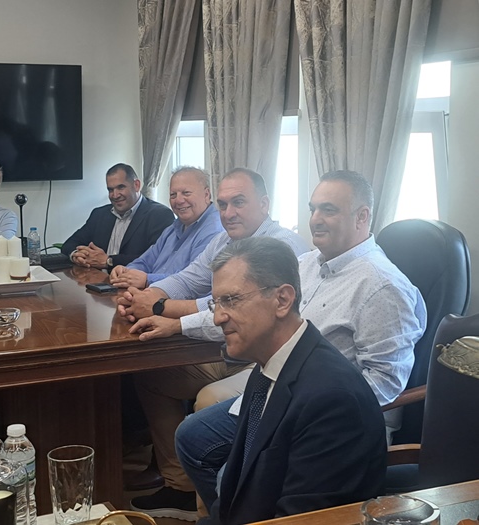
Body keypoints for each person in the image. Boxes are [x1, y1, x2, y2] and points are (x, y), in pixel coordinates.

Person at [175, 170, 426, 517]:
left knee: (229, 476)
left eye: (328, 210)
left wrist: (309, 408)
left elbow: (384, 383)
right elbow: (247, 310)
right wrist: (176, 323)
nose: (315, 219)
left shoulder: (383, 286)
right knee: (192, 439)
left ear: (362, 216)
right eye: (312, 209)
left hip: (329, 418)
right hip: (284, 388)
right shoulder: (307, 264)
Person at [120, 168, 309, 520]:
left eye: (239, 202)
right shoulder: (223, 240)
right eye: (223, 204)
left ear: (264, 204)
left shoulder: (282, 246)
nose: (228, 212)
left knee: (207, 399)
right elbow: (188, 278)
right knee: (152, 378)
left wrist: (164, 313)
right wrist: (147, 297)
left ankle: (221, 504)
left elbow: (232, 311)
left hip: (267, 359)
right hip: (227, 349)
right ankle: (179, 485)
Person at [198, 237, 387, 524]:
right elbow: (234, 494)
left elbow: (298, 519)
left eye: (231, 300)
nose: (218, 318)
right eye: (216, 303)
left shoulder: (332, 401)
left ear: (282, 300)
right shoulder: (267, 366)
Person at [109, 167, 223, 289]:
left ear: (206, 194)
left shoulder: (215, 231)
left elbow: (193, 281)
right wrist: (126, 271)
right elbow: (145, 261)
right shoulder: (173, 228)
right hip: (146, 295)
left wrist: (148, 280)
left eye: (186, 193)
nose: (178, 200)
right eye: (173, 195)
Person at [60, 163, 174, 271]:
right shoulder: (99, 214)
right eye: (110, 190)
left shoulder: (160, 215)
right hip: (97, 280)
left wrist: (109, 261)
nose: (115, 195)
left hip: (133, 282)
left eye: (121, 187)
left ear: (136, 185)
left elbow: (156, 258)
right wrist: (77, 255)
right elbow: (70, 244)